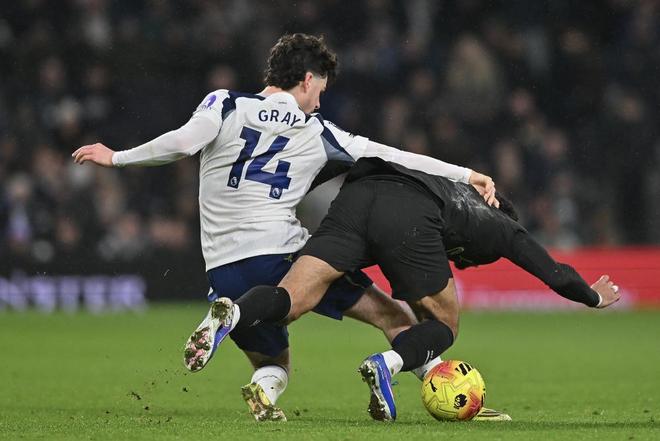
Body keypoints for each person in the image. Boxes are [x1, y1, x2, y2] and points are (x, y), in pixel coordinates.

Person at [71, 33, 502, 422]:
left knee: (274, 364)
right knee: (395, 316)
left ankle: (256, 377)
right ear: (308, 80)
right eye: (321, 92)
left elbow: (182, 143)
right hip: (285, 256)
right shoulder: (317, 130)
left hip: (223, 269)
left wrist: (117, 157)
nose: (319, 103)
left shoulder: (224, 103)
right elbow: (392, 155)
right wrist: (465, 175)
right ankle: (450, 393)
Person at [204, 157, 621, 422]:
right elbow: (553, 271)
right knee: (444, 323)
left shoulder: (450, 185)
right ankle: (386, 364)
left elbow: (347, 160)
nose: (465, 263)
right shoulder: (499, 225)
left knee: (294, 298)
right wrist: (593, 296)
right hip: (407, 214)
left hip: (356, 197)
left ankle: (233, 313)